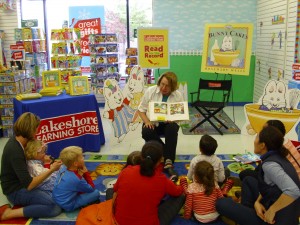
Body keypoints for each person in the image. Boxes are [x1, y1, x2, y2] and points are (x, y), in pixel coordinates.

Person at [216, 126, 300, 225]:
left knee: (220, 203)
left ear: (262, 145)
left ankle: (246, 217)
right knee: (248, 180)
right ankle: (248, 215)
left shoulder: (270, 165)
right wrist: (257, 202)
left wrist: (272, 210)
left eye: (256, 138)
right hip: (281, 206)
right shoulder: (278, 155)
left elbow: (294, 191)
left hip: (274, 219)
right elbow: (269, 185)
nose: (254, 141)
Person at [0, 112, 62, 221]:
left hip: (22, 182)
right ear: (30, 130)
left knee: (58, 191)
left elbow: (28, 158)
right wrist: (51, 170)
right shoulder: (15, 150)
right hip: (15, 191)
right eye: (36, 129)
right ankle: (9, 214)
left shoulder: (21, 141)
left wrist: (42, 158)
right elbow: (29, 185)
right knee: (55, 206)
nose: (37, 131)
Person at [112, 141, 185, 225]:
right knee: (181, 197)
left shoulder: (126, 171)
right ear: (160, 160)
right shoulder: (162, 180)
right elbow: (178, 191)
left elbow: (115, 190)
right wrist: (178, 183)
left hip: (119, 222)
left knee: (110, 191)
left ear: (141, 156)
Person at [137, 71, 184, 169]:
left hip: (168, 124)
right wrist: (147, 122)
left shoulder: (178, 95)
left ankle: (169, 160)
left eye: (168, 86)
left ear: (173, 86)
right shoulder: (151, 91)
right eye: (162, 84)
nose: (163, 88)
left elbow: (180, 115)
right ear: (159, 82)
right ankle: (167, 153)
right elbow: (141, 110)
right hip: (153, 123)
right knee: (146, 131)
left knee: (172, 128)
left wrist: (174, 119)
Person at [52, 146, 100, 212]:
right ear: (75, 164)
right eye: (82, 157)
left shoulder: (63, 167)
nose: (83, 158)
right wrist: (86, 173)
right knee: (96, 193)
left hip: (56, 198)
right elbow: (91, 189)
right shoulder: (77, 179)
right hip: (68, 205)